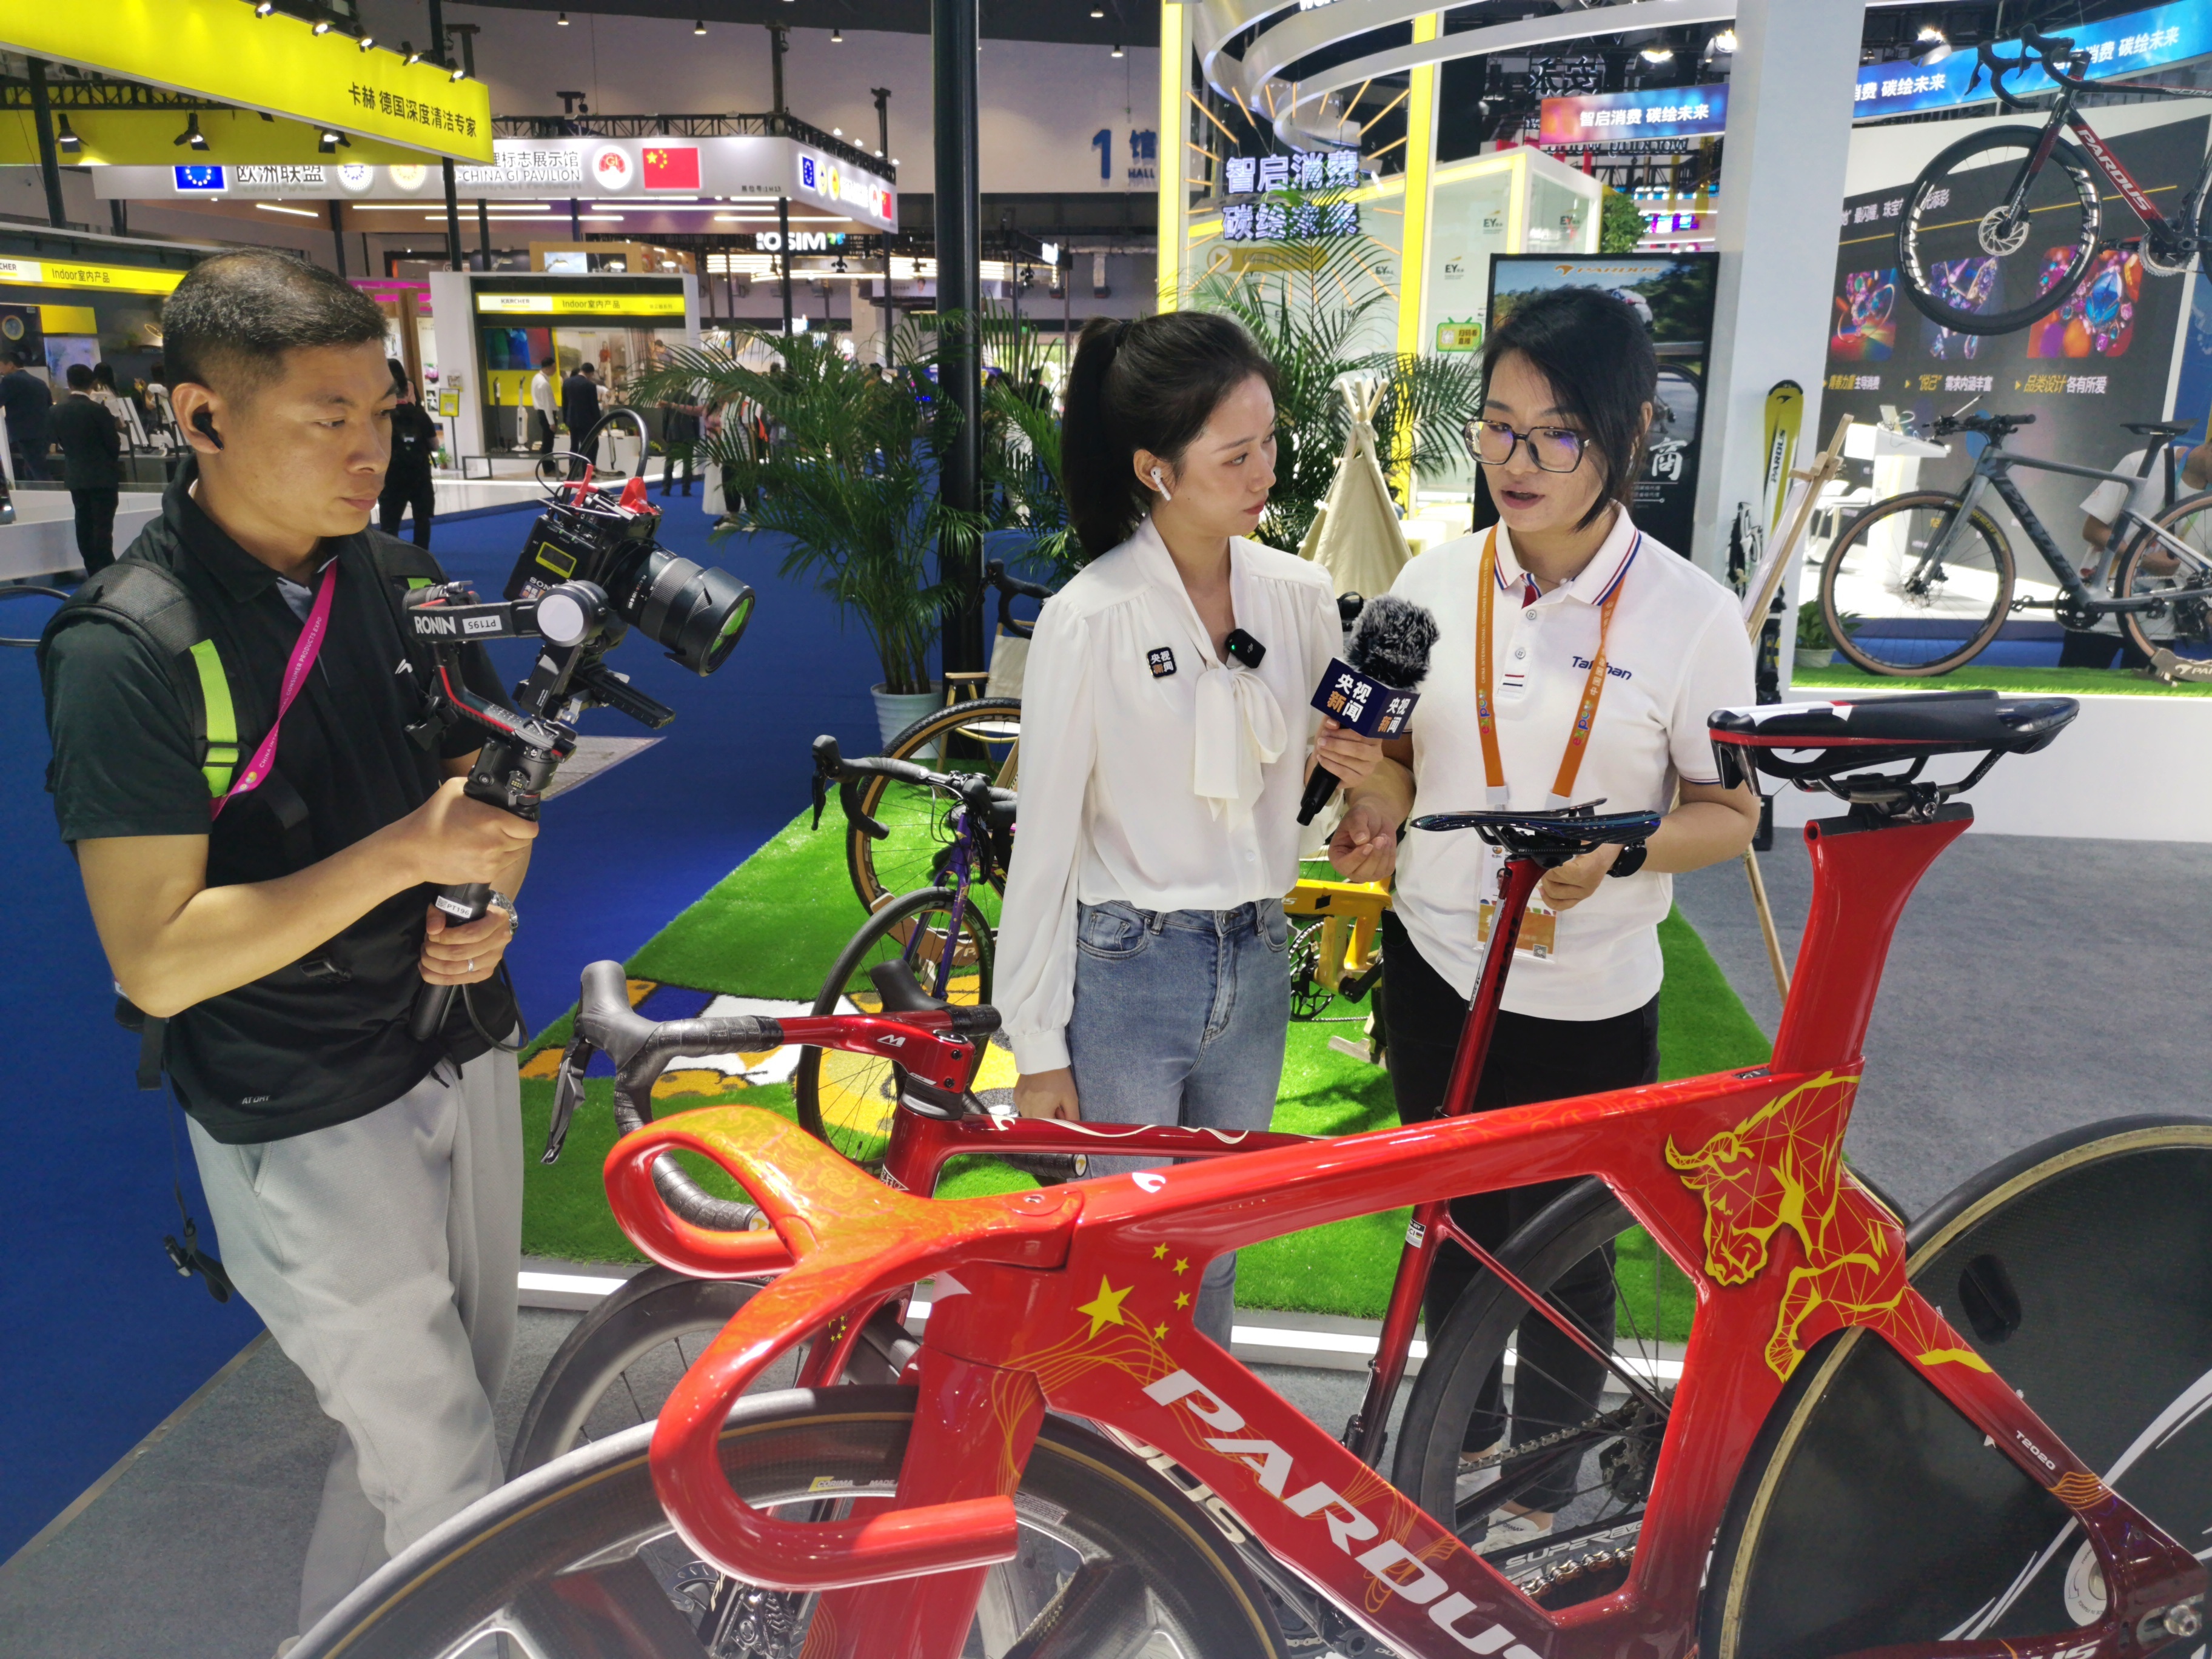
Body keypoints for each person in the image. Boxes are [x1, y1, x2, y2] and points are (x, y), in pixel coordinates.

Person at [37, 249, 534, 1644]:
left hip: (459, 1043)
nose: (371, 450)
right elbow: (155, 956)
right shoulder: (127, 649)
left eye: (382, 413)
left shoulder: (401, 576)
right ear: (200, 416)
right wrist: (406, 856)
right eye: (329, 418)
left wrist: (491, 893)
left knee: (445, 1407)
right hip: (302, 1098)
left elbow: (490, 789)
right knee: (445, 1468)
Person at [1329, 286, 1758, 1553]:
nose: (1514, 462)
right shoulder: (1425, 581)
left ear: (1628, 435)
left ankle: (1544, 1475)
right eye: (1497, 427)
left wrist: (1620, 854)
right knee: (1450, 1217)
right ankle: (1453, 1441)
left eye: (1555, 434)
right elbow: (1385, 754)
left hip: (1587, 985)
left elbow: (1731, 814)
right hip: (1434, 960)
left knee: (1568, 1244)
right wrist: (1374, 803)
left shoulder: (1693, 614)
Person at [995, 312, 1384, 1347]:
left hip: (1257, 955)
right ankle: (1101, 1440)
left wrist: (1359, 808)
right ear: (1155, 470)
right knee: (1121, 1252)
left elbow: (1327, 778)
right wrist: (1037, 1042)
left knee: (1214, 1243)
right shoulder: (1091, 617)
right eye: (1235, 454)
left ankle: (1192, 1439)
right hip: (1127, 969)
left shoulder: (1300, 596)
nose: (1265, 473)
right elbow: (1044, 843)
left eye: (1270, 443)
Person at [2071, 427, 2212, 669]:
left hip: (2160, 622)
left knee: (2146, 692)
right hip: (2101, 610)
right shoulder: (2142, 463)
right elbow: (2093, 530)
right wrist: (2141, 559)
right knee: (2075, 688)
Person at [50, 363, 124, 574]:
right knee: (103, 526)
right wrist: (108, 463)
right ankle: (107, 570)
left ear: (69, 383)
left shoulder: (55, 411)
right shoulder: (98, 410)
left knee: (83, 523)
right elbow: (114, 443)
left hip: (76, 475)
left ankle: (91, 569)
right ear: (92, 383)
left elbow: (59, 440)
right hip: (102, 476)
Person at [379, 360, 440, 549]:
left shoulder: (382, 417)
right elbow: (435, 446)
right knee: (422, 518)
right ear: (408, 390)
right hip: (419, 474)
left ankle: (389, 555)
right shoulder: (420, 416)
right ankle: (422, 553)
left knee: (390, 521)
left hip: (392, 475)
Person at [1, 348, 53, 480]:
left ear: (10, 364)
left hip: (25, 433)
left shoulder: (10, 380)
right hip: (44, 432)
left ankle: (50, 492)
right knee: (32, 468)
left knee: (38, 471)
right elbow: (49, 405)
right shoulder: (39, 382)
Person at [561, 360, 601, 478]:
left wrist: (566, 419)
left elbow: (565, 403)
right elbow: (594, 406)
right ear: (590, 373)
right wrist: (599, 423)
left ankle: (572, 470)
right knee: (587, 446)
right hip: (587, 421)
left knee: (574, 445)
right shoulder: (590, 386)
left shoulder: (567, 383)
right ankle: (586, 471)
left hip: (572, 420)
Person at [528, 354, 557, 456]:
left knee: (547, 441)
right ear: (547, 368)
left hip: (542, 413)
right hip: (546, 414)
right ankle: (548, 465)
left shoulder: (537, 378)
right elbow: (547, 405)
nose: (555, 370)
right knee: (548, 442)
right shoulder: (544, 383)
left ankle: (548, 464)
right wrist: (551, 423)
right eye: (554, 368)